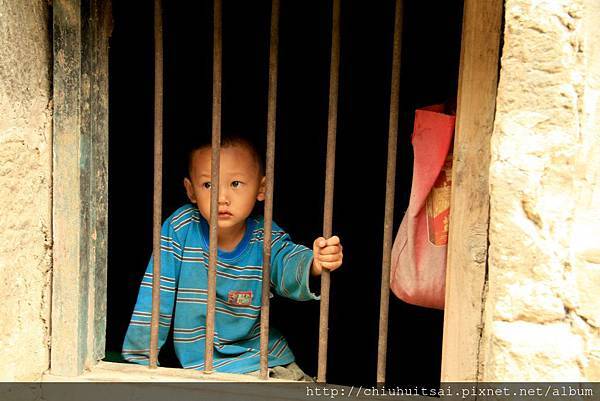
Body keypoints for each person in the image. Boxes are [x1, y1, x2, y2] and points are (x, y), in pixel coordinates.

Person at [121, 135, 343, 380]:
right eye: (208, 185)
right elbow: (155, 296)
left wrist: (314, 262)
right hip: (201, 366)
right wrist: (138, 364)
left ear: (261, 189)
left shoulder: (264, 236)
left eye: (235, 183)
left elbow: (286, 261)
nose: (222, 197)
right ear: (190, 190)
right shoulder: (179, 229)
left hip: (265, 360)